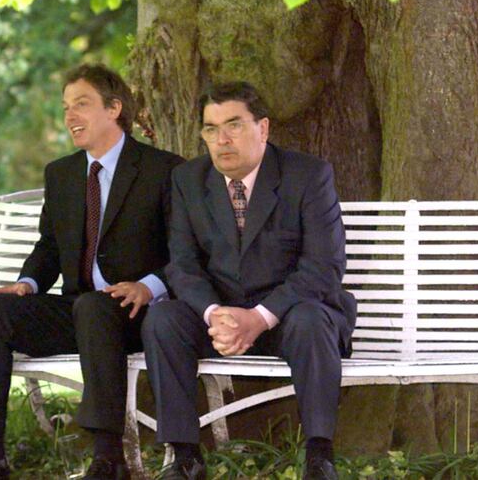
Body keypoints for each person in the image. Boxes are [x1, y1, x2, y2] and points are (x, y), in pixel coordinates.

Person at [0, 64, 184, 480]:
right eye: (66, 107)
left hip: (139, 311)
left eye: (81, 105)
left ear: (114, 108)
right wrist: (26, 283)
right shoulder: (63, 173)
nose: (69, 117)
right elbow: (50, 245)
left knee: (93, 307)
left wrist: (148, 285)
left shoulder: (164, 169)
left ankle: (108, 458)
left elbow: (187, 251)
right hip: (79, 307)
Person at [142, 82, 356, 480]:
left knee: (312, 319)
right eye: (210, 128)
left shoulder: (307, 175)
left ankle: (319, 457)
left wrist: (259, 317)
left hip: (289, 316)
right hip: (221, 320)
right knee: (163, 319)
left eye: (234, 125)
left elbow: (324, 267)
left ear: (264, 128)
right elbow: (182, 265)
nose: (221, 139)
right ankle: (185, 456)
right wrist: (214, 313)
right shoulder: (188, 180)